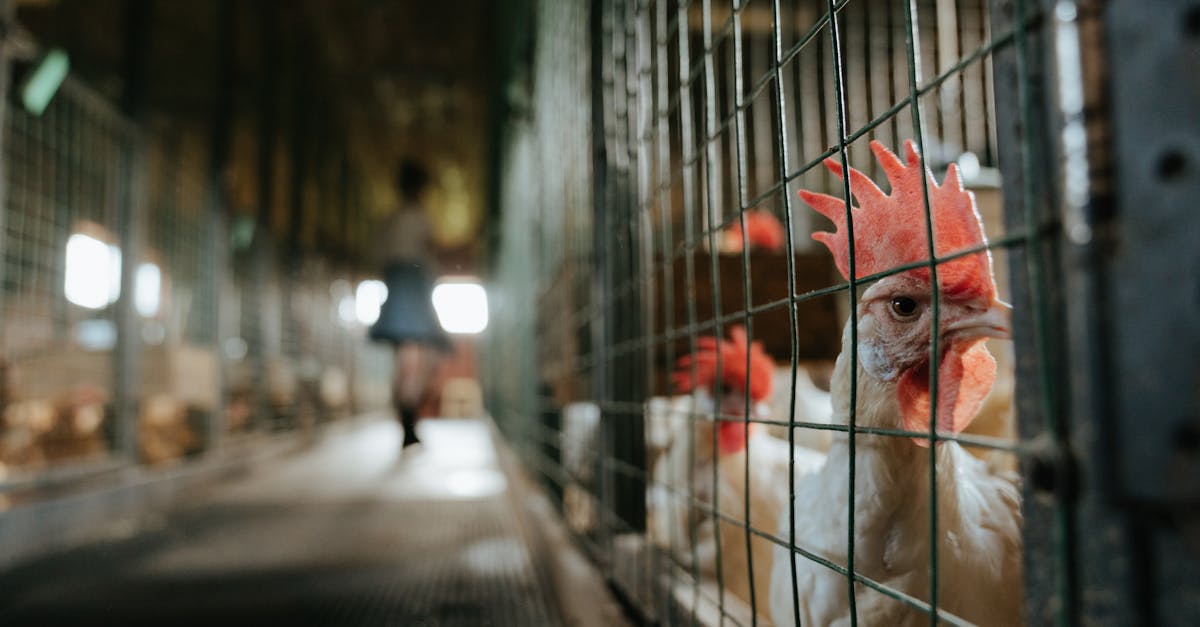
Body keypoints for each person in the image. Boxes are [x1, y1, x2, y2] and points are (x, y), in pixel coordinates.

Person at [369, 159, 450, 448]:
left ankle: (407, 419)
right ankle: (408, 419)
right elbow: (429, 253)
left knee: (407, 361)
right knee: (416, 360)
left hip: (401, 287)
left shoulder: (389, 222)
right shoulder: (417, 219)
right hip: (412, 287)